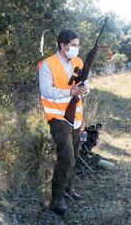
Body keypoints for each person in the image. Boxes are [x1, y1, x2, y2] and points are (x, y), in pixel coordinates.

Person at [38, 29, 89, 215]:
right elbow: (46, 91)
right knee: (66, 157)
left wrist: (84, 90)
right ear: (63, 45)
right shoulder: (47, 64)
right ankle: (57, 198)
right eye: (74, 45)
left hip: (75, 117)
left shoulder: (78, 61)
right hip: (57, 117)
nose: (77, 48)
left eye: (78, 45)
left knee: (74, 155)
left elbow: (85, 84)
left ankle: (68, 189)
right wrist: (70, 92)